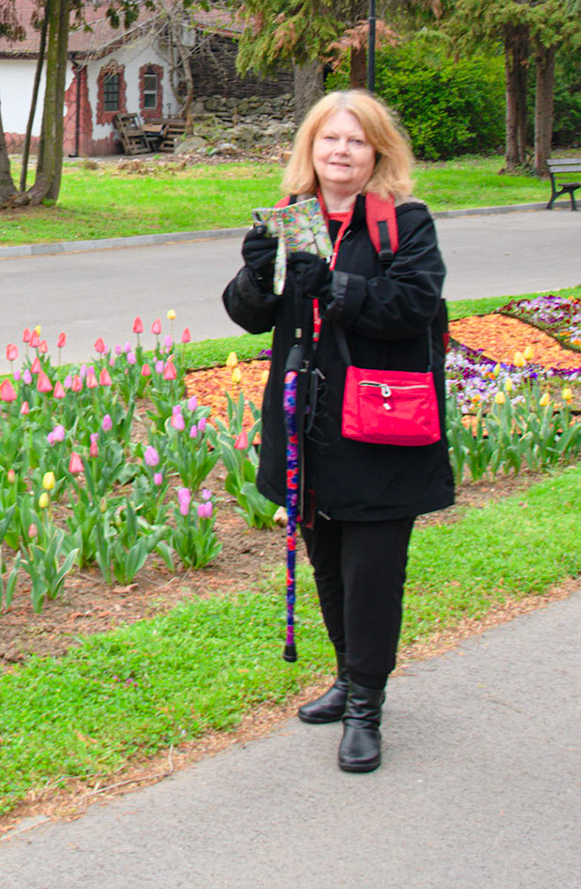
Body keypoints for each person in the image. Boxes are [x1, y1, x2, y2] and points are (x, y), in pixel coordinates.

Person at [222, 90, 453, 773]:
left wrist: (337, 289)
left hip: (379, 427)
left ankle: (366, 708)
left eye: (356, 140)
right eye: (330, 139)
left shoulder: (403, 223)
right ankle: (349, 676)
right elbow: (250, 317)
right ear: (311, 148)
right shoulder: (293, 219)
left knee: (371, 572)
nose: (342, 151)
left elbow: (415, 305)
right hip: (309, 427)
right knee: (326, 561)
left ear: (378, 151)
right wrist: (256, 273)